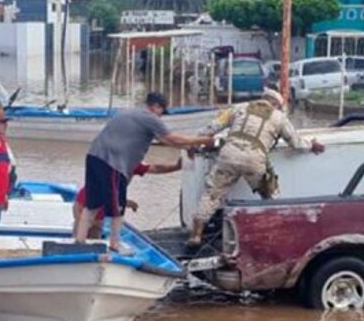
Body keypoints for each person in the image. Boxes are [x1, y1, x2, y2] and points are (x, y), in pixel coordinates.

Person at [74, 92, 213, 252]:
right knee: (118, 209)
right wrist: (203, 141)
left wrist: (187, 148)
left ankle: (79, 242)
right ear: (155, 107)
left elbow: (165, 142)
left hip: (94, 157)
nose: (161, 117)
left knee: (91, 205)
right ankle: (114, 245)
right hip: (113, 163)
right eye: (162, 111)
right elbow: (172, 138)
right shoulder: (150, 118)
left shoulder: (128, 113)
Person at [189, 88, 325, 247]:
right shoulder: (279, 117)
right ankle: (274, 232)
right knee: (269, 195)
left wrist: (194, 143)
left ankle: (196, 235)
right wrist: (312, 145)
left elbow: (210, 128)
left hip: (228, 155)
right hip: (254, 159)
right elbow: (296, 143)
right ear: (276, 104)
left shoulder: (238, 108)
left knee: (212, 194)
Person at [72, 158, 182, 237]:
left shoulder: (133, 163)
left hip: (99, 204)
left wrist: (177, 166)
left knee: (94, 237)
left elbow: (156, 168)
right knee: (82, 236)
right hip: (87, 201)